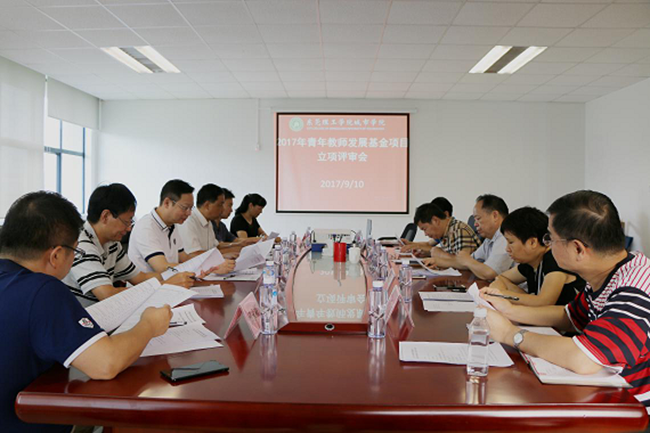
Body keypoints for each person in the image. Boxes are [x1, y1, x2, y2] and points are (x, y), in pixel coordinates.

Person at [0, 191, 172, 432]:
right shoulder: (43, 290)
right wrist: (150, 324)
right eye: (75, 252)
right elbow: (106, 363)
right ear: (56, 255)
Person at [481, 190, 650, 412]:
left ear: (578, 248)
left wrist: (508, 334)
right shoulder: (610, 271)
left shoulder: (635, 289)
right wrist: (510, 310)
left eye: (551, 238)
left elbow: (584, 358)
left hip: (633, 411)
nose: (548, 245)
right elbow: (568, 316)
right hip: (608, 395)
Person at [64, 184, 195, 306]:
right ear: (105, 216)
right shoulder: (81, 245)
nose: (128, 229)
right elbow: (107, 294)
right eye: (126, 222)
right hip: (82, 319)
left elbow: (140, 277)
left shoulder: (112, 243)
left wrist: (176, 276)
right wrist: (165, 284)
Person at [485, 206, 584, 306]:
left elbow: (544, 303)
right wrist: (504, 292)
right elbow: (501, 278)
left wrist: (501, 293)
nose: (507, 249)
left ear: (532, 242)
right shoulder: (531, 263)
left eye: (511, 242)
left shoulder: (554, 260)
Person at [129, 179, 232, 274]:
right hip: (151, 286)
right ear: (167, 203)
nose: (189, 213)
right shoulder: (146, 227)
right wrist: (209, 267)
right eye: (185, 208)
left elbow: (184, 258)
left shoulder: (173, 226)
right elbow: (162, 267)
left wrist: (214, 264)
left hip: (171, 283)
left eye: (191, 208)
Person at [421, 194, 513, 280]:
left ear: (495, 216)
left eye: (478, 218)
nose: (475, 224)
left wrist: (467, 260)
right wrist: (437, 262)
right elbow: (465, 262)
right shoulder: (490, 239)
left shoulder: (505, 237)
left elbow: (490, 273)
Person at [177, 183, 239, 263]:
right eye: (220, 205)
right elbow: (193, 254)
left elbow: (215, 248)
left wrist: (240, 247)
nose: (222, 209)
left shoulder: (208, 222)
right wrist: (222, 255)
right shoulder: (188, 221)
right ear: (207, 205)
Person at [413, 202, 481, 259]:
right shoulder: (445, 232)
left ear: (435, 220)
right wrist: (428, 253)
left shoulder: (458, 230)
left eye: (424, 229)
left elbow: (464, 263)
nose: (425, 234)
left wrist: (439, 254)